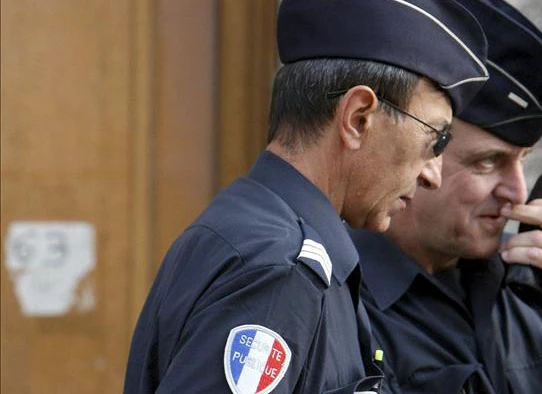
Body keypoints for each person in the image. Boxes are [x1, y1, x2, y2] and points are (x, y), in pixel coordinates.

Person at [123, 0, 490, 393]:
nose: (433, 174)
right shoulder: (282, 270)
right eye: (435, 140)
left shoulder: (252, 230)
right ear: (358, 118)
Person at [350, 0, 542, 393]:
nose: (518, 193)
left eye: (523, 161)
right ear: (418, 153)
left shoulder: (536, 283)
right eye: (487, 162)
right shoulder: (339, 298)